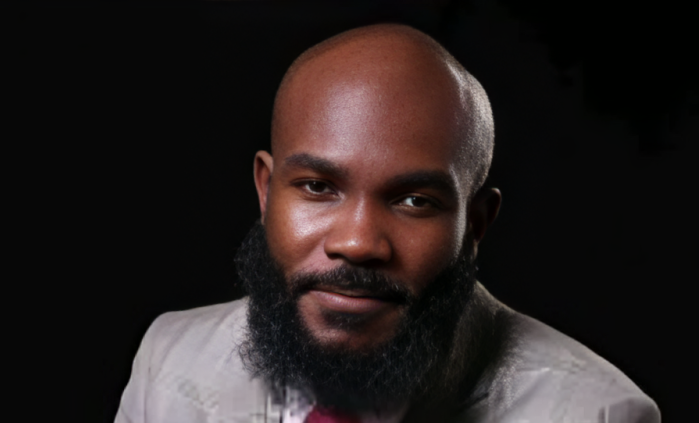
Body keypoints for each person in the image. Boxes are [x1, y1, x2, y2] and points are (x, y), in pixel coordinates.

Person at [114, 24, 660, 423]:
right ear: (266, 190)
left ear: (475, 225)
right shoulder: (170, 358)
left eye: (414, 201)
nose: (357, 243)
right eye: (318, 188)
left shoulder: (597, 414)